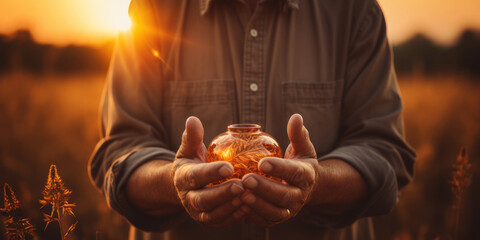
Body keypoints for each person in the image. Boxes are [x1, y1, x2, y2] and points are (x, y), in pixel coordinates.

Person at [88, 0, 416, 239]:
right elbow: (118, 154)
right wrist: (174, 182)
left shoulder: (353, 11)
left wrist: (316, 183)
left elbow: (385, 156)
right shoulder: (152, 11)